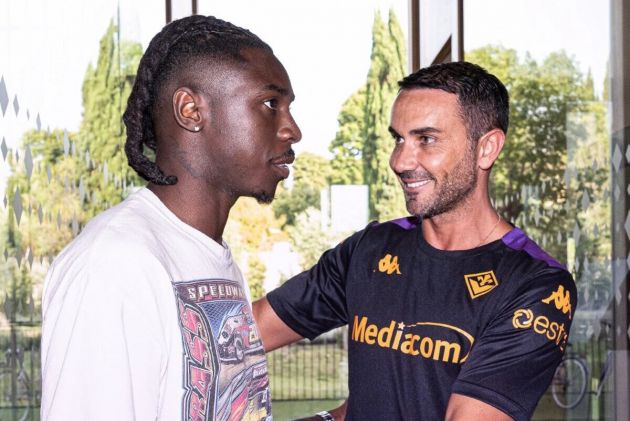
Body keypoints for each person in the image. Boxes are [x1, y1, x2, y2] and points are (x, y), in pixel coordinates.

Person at [253, 62, 576, 421]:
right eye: (399, 139)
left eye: (427, 139)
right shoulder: (370, 249)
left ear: (487, 148)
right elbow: (244, 335)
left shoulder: (537, 285)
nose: (400, 161)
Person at [40, 15, 301, 421]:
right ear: (191, 110)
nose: (292, 130)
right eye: (270, 104)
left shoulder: (209, 256)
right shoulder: (114, 265)